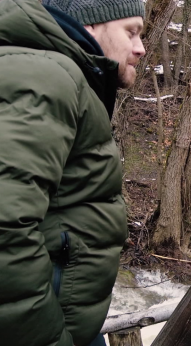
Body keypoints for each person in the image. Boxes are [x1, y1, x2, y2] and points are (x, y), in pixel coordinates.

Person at [0, 0, 145, 345]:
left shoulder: (53, 72)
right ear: (89, 25)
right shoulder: (46, 76)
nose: (140, 48)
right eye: (131, 32)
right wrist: (50, 337)